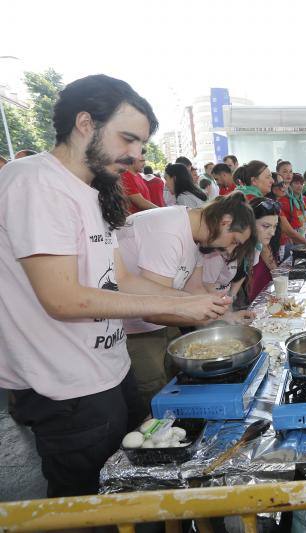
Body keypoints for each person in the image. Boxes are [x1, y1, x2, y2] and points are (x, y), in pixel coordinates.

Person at [0, 74, 229, 497]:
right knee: (89, 505)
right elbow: (62, 299)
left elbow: (121, 279)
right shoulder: (36, 182)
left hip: (108, 369)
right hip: (65, 385)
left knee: (128, 489)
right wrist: (180, 310)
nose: (137, 155)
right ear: (85, 122)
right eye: (128, 139)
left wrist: (196, 300)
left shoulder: (92, 191)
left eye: (141, 145)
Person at [118, 193, 258, 405]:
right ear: (225, 221)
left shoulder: (199, 235)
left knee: (175, 379)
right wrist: (202, 318)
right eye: (234, 241)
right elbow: (153, 309)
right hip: (133, 328)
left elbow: (195, 287)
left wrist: (226, 316)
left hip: (158, 322)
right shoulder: (169, 231)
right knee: (155, 391)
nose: (230, 250)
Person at [246, 197, 282, 302]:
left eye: (275, 226)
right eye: (266, 226)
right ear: (250, 222)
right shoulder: (237, 247)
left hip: (265, 299)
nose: (272, 233)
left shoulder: (262, 244)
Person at [272, 178, 306, 258]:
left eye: (301, 183)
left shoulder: (304, 199)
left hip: (298, 232)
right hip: (285, 237)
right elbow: (287, 229)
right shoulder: (281, 201)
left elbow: (305, 217)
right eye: (296, 183)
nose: (283, 187)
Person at [121, 148, 158, 213]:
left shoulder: (139, 176)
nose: (144, 164)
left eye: (144, 161)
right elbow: (141, 203)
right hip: (135, 220)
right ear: (131, 161)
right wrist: (161, 211)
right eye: (141, 161)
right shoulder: (125, 176)